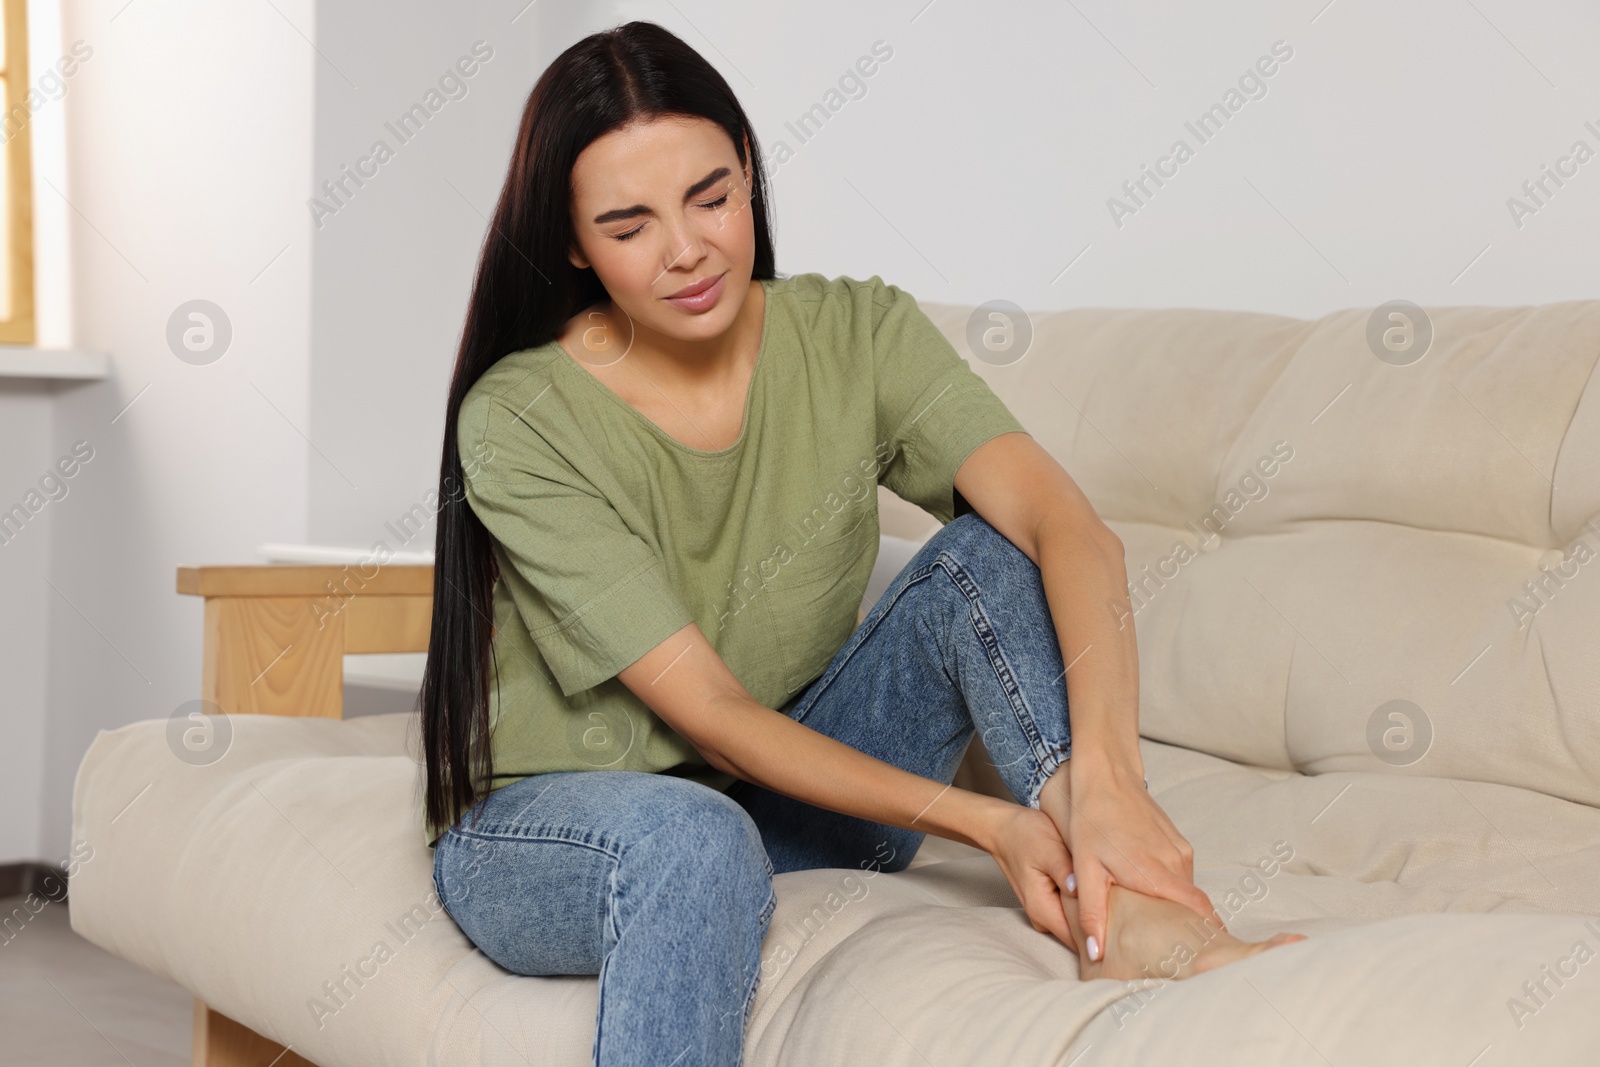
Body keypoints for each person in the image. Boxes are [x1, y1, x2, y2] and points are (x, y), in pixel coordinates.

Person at [419, 20, 1304, 1067]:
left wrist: (1105, 784)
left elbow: (1070, 529)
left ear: (748, 168)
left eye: (710, 195)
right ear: (570, 241)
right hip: (556, 831)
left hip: (781, 803)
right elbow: (715, 718)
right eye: (629, 224)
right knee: (694, 840)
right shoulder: (521, 419)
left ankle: (1119, 906)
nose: (687, 248)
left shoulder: (856, 332)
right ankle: (1089, 875)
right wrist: (992, 825)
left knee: (986, 557)